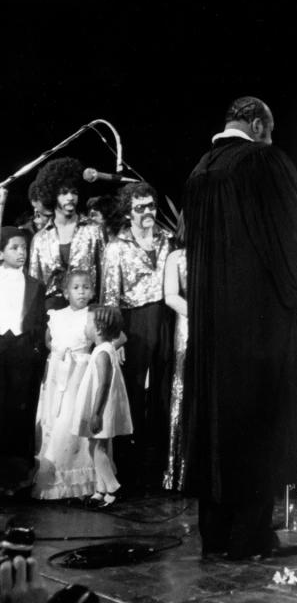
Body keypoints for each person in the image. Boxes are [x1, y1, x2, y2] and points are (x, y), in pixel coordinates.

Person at [182, 96, 297, 559]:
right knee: (259, 422)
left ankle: (216, 536)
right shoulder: (263, 161)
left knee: (218, 426)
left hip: (211, 328)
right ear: (259, 124)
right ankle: (251, 538)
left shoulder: (200, 170)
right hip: (258, 323)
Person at [101, 182, 173, 489]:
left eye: (151, 206)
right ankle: (130, 469)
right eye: (140, 207)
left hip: (165, 317)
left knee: (164, 388)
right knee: (131, 392)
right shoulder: (116, 247)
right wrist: (114, 338)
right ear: (128, 212)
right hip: (134, 321)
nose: (147, 212)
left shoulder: (168, 240)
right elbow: (109, 296)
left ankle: (159, 465)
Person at [33, 270, 97, 500]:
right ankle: (51, 479)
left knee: (71, 424)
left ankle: (76, 482)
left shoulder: (92, 315)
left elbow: (115, 337)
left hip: (78, 376)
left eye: (86, 287)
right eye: (76, 287)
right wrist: (58, 357)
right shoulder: (56, 315)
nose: (82, 291)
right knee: (52, 420)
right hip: (57, 375)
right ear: (66, 292)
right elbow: (50, 341)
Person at [0, 225, 46, 495]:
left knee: (19, 412)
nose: (21, 253)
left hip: (22, 350)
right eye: (14, 248)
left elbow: (39, 322)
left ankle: (16, 477)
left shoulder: (35, 285)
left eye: (24, 248)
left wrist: (34, 349)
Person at [71, 305, 133, 507]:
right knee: (97, 447)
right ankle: (101, 490)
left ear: (98, 329)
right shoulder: (102, 349)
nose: (85, 327)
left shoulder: (102, 353)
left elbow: (104, 384)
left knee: (98, 449)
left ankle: (114, 488)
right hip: (101, 408)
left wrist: (96, 413)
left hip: (102, 409)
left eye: (88, 323)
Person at [28, 158, 104, 310]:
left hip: (87, 309)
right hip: (51, 312)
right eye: (63, 193)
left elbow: (105, 274)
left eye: (74, 192)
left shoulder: (93, 230)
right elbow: (34, 284)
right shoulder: (40, 239)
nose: (70, 197)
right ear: (51, 196)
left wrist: (103, 309)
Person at [161, 241, 187, 492]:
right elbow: (170, 296)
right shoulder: (176, 257)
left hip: (220, 326)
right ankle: (179, 469)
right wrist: (199, 313)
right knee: (184, 390)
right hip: (189, 325)